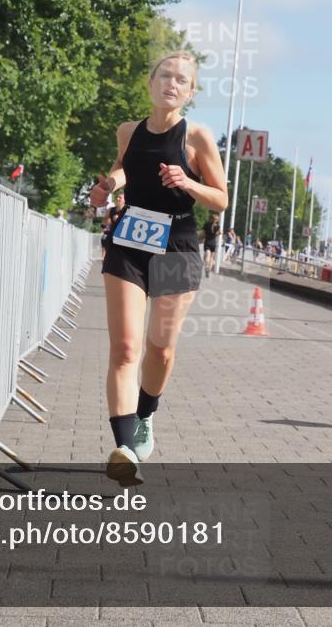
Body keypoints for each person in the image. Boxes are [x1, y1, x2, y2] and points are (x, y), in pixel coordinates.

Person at [90, 51, 227, 486]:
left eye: (181, 79)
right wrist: (107, 187)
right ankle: (125, 449)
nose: (171, 82)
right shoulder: (127, 131)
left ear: (189, 93)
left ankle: (146, 414)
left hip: (177, 248)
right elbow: (124, 169)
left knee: (160, 349)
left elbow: (221, 199)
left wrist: (188, 182)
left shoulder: (198, 138)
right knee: (126, 349)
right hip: (130, 243)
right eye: (164, 75)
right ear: (149, 84)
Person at [202, 212, 220, 278]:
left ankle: (206, 267)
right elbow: (219, 233)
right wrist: (216, 234)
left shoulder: (206, 225)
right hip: (213, 242)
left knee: (207, 255)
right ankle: (209, 268)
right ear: (217, 220)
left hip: (207, 241)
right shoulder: (217, 226)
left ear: (210, 219)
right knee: (212, 257)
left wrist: (203, 238)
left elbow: (203, 233)